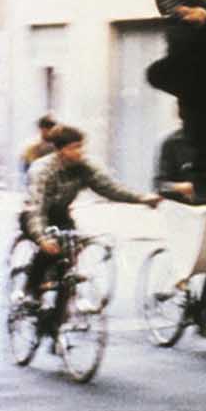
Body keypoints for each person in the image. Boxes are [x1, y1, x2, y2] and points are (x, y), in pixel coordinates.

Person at [18, 125, 159, 307]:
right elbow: (36, 207)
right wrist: (42, 238)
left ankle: (57, 319)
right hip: (35, 215)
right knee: (50, 250)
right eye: (74, 147)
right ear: (60, 150)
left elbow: (109, 188)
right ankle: (31, 290)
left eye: (81, 146)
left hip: (61, 214)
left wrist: (142, 198)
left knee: (69, 264)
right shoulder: (42, 170)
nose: (80, 151)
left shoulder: (84, 166)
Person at [19, 115, 57, 184]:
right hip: (38, 181)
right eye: (45, 129)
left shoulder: (59, 146)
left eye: (49, 128)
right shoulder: (32, 148)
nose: (47, 132)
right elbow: (26, 169)